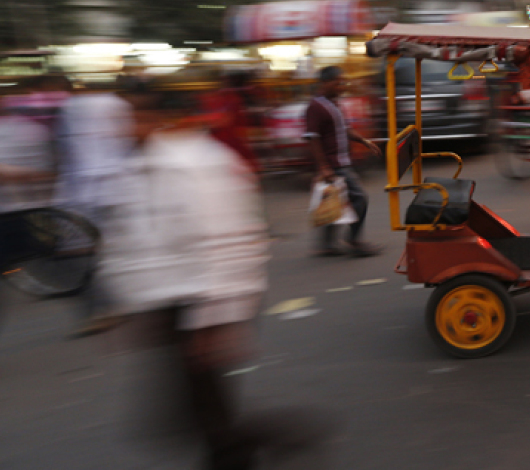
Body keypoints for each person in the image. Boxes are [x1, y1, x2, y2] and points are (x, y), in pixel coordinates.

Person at [102, 77, 334, 469]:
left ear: (156, 117)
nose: (123, 128)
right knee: (193, 413)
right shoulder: (134, 170)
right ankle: (263, 444)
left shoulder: (198, 163)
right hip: (167, 305)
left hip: (203, 303)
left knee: (203, 412)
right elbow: (131, 243)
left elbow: (232, 240)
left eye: (133, 117)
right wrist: (129, 305)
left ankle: (290, 433)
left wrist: (221, 318)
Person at [54, 75, 136, 337]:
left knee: (79, 255)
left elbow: (65, 152)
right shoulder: (117, 104)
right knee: (104, 252)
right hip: (112, 188)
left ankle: (104, 308)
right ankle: (112, 304)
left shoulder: (70, 108)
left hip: (85, 192)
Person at [304, 66, 382, 258]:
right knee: (359, 198)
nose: (342, 86)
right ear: (325, 83)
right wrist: (323, 167)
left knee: (334, 201)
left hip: (341, 161)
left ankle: (327, 245)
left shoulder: (334, 104)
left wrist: (364, 141)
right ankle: (354, 241)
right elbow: (312, 138)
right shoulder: (315, 107)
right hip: (334, 164)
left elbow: (345, 129)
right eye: (338, 82)